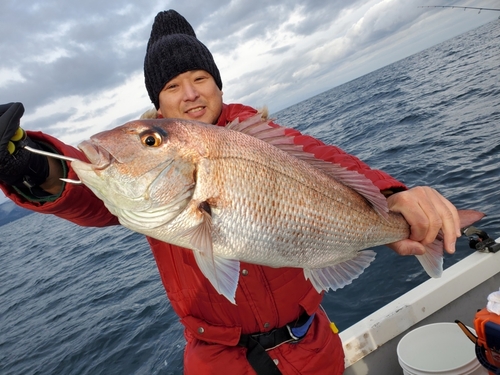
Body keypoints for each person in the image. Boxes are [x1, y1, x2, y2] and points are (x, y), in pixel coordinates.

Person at [0, 10, 461, 375]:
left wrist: (394, 195)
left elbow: (329, 162)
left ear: (218, 83)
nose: (191, 93)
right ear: (158, 105)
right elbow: (81, 186)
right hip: (216, 360)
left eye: (200, 77)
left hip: (311, 346)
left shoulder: (259, 135)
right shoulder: (145, 167)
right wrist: (28, 162)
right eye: (172, 86)